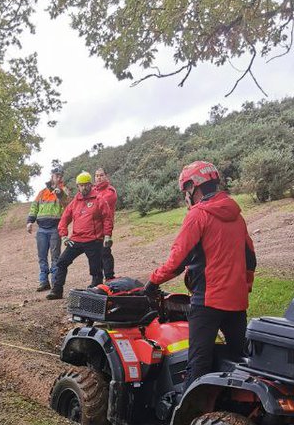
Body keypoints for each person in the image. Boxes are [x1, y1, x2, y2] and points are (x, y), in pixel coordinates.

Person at [144, 160, 256, 385]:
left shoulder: (198, 215)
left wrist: (153, 281)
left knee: (198, 364)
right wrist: (245, 287)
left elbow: (178, 260)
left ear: (194, 187)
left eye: (186, 189)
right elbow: (250, 258)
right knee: (239, 361)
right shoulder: (236, 215)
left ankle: (190, 416)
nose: (186, 195)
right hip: (236, 303)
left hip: (208, 302)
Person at [46, 173, 114, 299]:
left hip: (94, 240)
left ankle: (96, 294)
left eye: (86, 185)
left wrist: (107, 236)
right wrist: (64, 236)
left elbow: (107, 218)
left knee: (96, 269)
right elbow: (64, 219)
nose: (83, 188)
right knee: (61, 263)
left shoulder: (99, 199)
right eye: (81, 186)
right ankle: (57, 290)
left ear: (90, 185)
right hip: (76, 240)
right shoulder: (75, 201)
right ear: (77, 186)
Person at [26, 167, 70, 291]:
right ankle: (43, 281)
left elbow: (67, 205)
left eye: (61, 176)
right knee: (42, 256)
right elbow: (34, 207)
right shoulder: (42, 192)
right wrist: (30, 221)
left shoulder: (64, 190)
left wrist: (60, 194)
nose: (59, 178)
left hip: (55, 228)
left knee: (55, 256)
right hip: (41, 229)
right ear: (52, 176)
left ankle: (55, 282)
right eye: (57, 175)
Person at [93, 166, 118, 281]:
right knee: (95, 254)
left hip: (105, 226)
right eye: (97, 175)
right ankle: (97, 279)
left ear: (106, 176)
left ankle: (109, 277)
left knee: (105, 251)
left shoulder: (110, 191)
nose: (99, 178)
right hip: (93, 227)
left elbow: (98, 205)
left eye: (101, 175)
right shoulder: (93, 190)